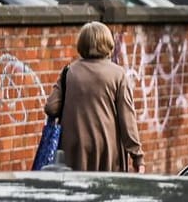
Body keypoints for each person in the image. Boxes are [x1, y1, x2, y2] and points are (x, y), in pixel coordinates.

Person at [44, 21, 143, 173]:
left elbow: (51, 108)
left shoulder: (69, 72)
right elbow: (127, 119)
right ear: (107, 44)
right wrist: (137, 157)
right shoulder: (118, 74)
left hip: (74, 150)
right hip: (108, 150)